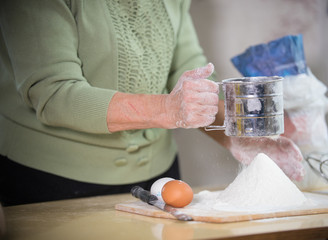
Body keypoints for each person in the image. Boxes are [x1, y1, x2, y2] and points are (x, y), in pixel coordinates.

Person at [0, 0, 304, 206]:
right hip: (54, 183)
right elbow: (53, 93)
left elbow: (189, 70)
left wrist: (237, 137)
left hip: (159, 173)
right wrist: (168, 110)